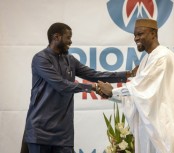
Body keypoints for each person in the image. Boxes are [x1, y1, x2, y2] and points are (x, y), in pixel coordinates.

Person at [23, 22, 137, 153]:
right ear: (56, 37)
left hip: (63, 134)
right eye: (68, 37)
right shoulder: (41, 59)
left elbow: (94, 75)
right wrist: (93, 88)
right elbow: (61, 85)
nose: (70, 42)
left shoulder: (70, 60)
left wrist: (128, 74)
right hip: (39, 132)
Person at [98, 18, 174, 153]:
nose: (136, 38)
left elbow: (138, 88)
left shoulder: (163, 56)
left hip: (164, 127)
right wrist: (111, 95)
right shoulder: (146, 59)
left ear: (153, 34)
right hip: (150, 129)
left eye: (140, 34)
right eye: (135, 35)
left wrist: (113, 92)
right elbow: (137, 96)